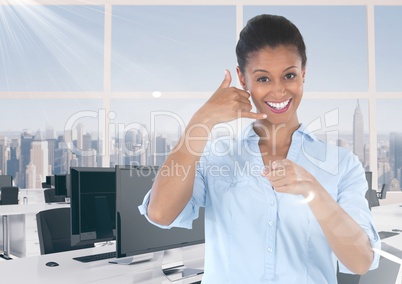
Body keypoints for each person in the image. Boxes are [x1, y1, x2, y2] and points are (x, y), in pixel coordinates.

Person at [139, 14, 380, 283]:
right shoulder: (215, 156)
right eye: (264, 79)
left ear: (303, 73)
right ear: (243, 79)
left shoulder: (342, 163)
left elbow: (361, 262)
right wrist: (201, 120)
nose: (279, 91)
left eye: (289, 75)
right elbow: (160, 214)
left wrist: (313, 190)